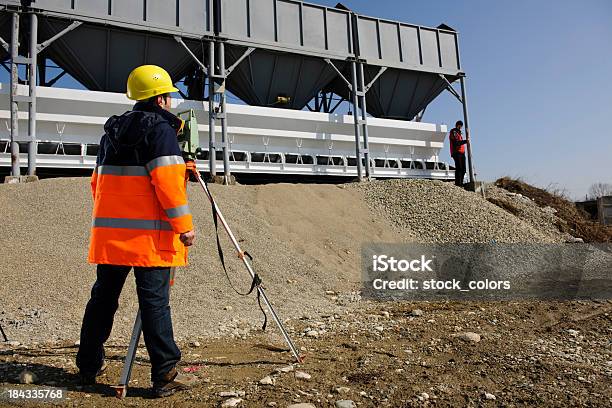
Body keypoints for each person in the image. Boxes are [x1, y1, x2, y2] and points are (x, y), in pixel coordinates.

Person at [76, 65, 197, 397]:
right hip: (149, 239)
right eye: (169, 96)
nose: (171, 102)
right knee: (155, 304)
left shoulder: (110, 134)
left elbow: (97, 184)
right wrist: (184, 227)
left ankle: (87, 366)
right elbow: (168, 186)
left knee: (102, 300)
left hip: (111, 235)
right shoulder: (162, 132)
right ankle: (163, 376)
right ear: (159, 98)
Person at [449, 120, 470, 187]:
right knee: (459, 168)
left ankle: (460, 182)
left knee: (463, 169)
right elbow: (456, 143)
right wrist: (466, 141)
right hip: (456, 152)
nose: (460, 127)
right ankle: (458, 183)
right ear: (458, 125)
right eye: (460, 126)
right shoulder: (453, 132)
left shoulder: (459, 133)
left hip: (462, 152)